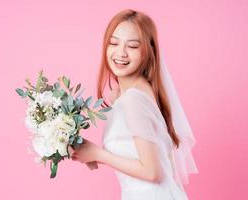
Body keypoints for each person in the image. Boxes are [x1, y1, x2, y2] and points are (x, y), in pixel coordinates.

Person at [71, 9, 199, 200]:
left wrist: (98, 154)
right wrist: (89, 153)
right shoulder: (133, 93)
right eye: (114, 43)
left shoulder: (133, 99)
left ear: (148, 51)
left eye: (132, 46)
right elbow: (143, 158)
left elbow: (152, 172)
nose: (120, 53)